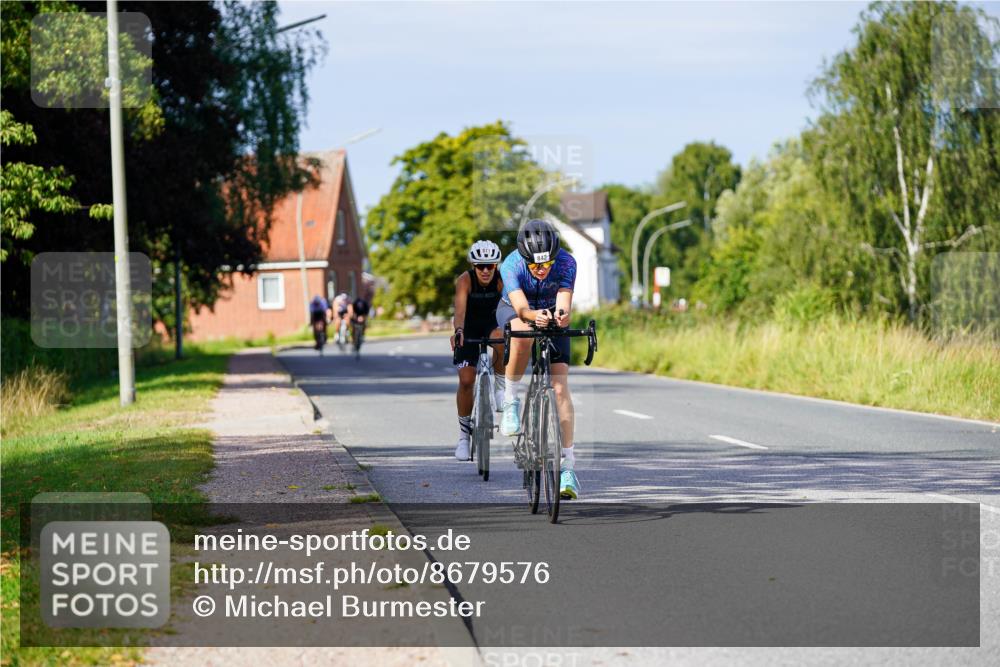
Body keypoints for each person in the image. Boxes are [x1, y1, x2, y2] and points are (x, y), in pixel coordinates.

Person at [497, 219, 580, 499]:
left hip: (548, 310)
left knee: (559, 387)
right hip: (516, 309)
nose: (542, 270)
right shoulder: (511, 265)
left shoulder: (567, 262)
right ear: (524, 259)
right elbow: (521, 309)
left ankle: (568, 466)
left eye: (547, 264)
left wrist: (561, 315)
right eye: (535, 266)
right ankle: (510, 398)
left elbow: (565, 303)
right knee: (522, 332)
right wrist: (535, 316)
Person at [450, 240, 505, 461]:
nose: (485, 270)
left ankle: (500, 387)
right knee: (466, 380)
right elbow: (460, 311)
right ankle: (464, 436)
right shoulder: (465, 280)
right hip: (470, 327)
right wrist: (459, 331)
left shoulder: (502, 280)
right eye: (480, 266)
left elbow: (508, 307)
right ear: (473, 266)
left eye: (490, 266)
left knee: (502, 337)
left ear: (495, 266)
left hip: (492, 324)